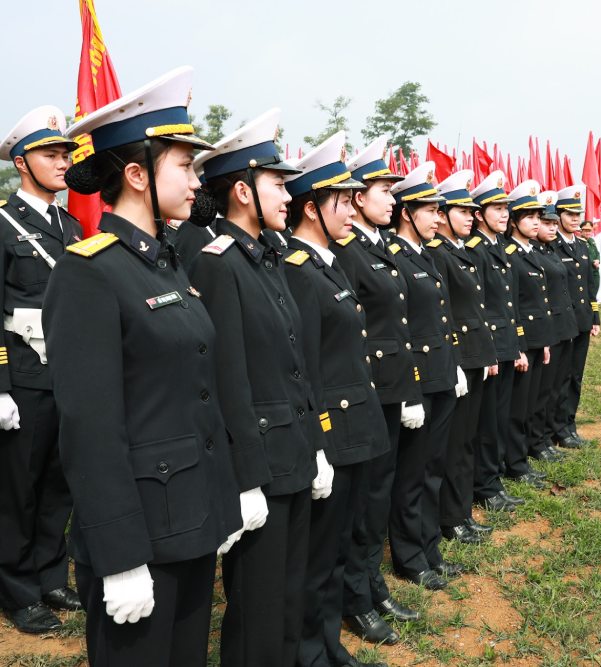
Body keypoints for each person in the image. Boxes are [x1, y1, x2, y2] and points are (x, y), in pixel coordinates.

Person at [43, 66, 243, 666]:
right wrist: (120, 555)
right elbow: (90, 428)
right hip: (142, 533)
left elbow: (194, 393)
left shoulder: (165, 263)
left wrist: (221, 499)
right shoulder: (89, 271)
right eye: (184, 165)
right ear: (136, 174)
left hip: (191, 517)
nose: (195, 178)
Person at [191, 108, 330, 667]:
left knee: (290, 593)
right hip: (261, 466)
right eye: (277, 183)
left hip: (293, 452)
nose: (288, 193)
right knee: (258, 605)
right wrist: (245, 477)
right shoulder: (218, 263)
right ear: (243, 191)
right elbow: (227, 379)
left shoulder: (268, 258)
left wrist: (316, 447)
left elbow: (294, 362)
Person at [281, 131, 390, 667]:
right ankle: (311, 649)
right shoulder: (300, 272)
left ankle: (327, 642)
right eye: (342, 202)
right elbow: (305, 368)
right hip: (332, 429)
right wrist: (318, 441)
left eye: (352, 201)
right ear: (310, 208)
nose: (352, 211)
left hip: (357, 422)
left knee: (339, 541)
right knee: (318, 555)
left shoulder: (328, 263)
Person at [337, 136, 423, 645]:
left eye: (392, 191)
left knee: (378, 493)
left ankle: (370, 584)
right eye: (382, 190)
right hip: (364, 391)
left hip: (389, 389)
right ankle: (356, 595)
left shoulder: (377, 246)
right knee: (363, 499)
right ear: (357, 198)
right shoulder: (348, 252)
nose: (392, 199)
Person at [0, 106, 82, 634]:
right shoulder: (5, 223)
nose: (62, 163)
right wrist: (0, 385)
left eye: (65, 153)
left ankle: (51, 572)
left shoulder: (70, 224)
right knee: (17, 487)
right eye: (51, 154)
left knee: (59, 480)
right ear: (22, 162)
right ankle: (17, 587)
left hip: (68, 372)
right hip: (23, 376)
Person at [386, 162, 465, 588]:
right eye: (431, 211)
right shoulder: (395, 258)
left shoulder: (425, 256)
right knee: (412, 473)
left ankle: (429, 546)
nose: (439, 218)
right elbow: (401, 330)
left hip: (440, 375)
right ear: (408, 213)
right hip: (417, 380)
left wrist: (452, 364)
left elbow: (440, 318)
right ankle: (409, 555)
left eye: (439, 211)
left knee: (433, 466)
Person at [424, 168, 499, 545]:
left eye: (472, 212)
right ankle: (449, 517)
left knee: (466, 440)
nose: (470, 217)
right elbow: (445, 313)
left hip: (473, 356)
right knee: (452, 445)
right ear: (442, 215)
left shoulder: (459, 251)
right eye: (462, 211)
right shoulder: (439, 254)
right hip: (458, 359)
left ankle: (461, 510)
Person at [466, 171, 527, 512]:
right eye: (496, 208)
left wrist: (515, 344)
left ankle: (492, 479)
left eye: (506, 209)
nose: (504, 215)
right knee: (486, 421)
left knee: (498, 416)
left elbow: (508, 304)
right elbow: (479, 306)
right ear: (479, 214)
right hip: (488, 347)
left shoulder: (498, 247)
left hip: (504, 344)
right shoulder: (476, 250)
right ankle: (485, 485)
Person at [504, 180, 552, 490]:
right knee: (516, 408)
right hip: (522, 340)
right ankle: (515, 462)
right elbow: (513, 305)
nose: (536, 222)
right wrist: (520, 345)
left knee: (530, 402)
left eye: (538, 216)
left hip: (536, 338)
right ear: (514, 220)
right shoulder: (511, 254)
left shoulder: (532, 252)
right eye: (530, 216)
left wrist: (543, 341)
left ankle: (521, 457)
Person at [550, 185, 600, 450]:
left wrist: (595, 315)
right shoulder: (551, 246)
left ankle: (569, 424)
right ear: (558, 215)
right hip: (561, 325)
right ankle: (555, 428)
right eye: (569, 214)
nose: (575, 219)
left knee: (575, 377)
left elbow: (590, 284)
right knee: (558, 378)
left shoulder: (582, 245)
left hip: (581, 320)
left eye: (577, 214)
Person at [528, 193, 575, 464]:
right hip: (547, 330)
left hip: (561, 327)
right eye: (544, 222)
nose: (550, 227)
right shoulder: (532, 253)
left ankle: (546, 435)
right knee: (542, 391)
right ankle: (538, 438)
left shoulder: (550, 251)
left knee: (556, 386)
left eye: (552, 223)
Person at [579, 219, 601, 293]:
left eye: (589, 230)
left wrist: (598, 260)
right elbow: (582, 256)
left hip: (595, 269)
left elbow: (597, 253)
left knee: (595, 288)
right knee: (588, 291)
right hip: (587, 270)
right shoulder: (579, 241)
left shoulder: (592, 240)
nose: (588, 232)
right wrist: (593, 262)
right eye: (585, 230)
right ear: (581, 231)